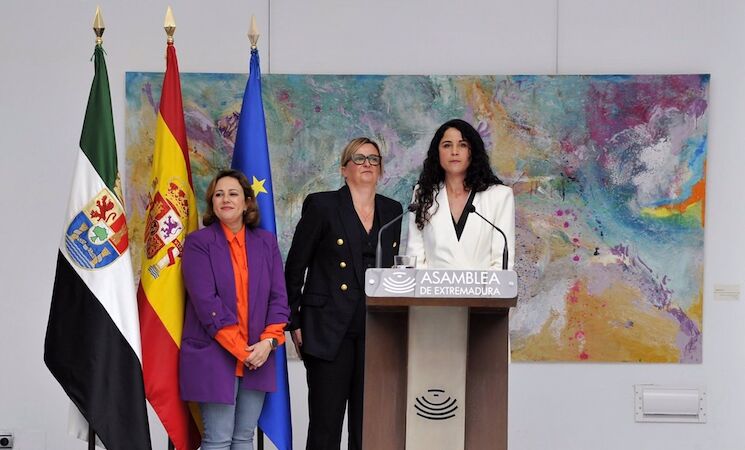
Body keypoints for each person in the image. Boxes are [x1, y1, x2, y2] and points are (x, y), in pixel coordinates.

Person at [285, 137, 403, 450]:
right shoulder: (322, 206)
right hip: (327, 329)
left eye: (374, 159)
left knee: (367, 429)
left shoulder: (393, 210)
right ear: (343, 169)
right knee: (326, 428)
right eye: (359, 158)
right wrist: (294, 322)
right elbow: (295, 266)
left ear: (381, 169)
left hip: (375, 331)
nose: (367, 164)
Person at [179, 169, 290, 450]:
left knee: (243, 438)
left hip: (258, 355)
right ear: (212, 203)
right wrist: (244, 351)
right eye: (219, 194)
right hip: (215, 354)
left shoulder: (266, 243)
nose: (225, 199)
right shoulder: (198, 243)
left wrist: (268, 342)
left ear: (246, 202)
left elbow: (279, 299)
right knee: (217, 439)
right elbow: (206, 303)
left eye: (232, 194)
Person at [406, 118, 515, 269]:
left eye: (462, 145)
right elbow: (415, 261)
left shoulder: (499, 196)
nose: (454, 152)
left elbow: (502, 264)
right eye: (447, 145)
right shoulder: (424, 194)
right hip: (431, 285)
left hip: (484, 285)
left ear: (473, 151)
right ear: (437, 153)